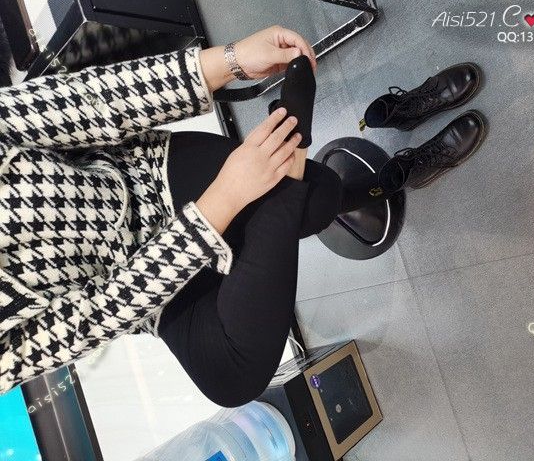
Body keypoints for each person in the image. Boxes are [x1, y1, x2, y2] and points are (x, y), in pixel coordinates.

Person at [0, 22, 485, 408]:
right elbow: (94, 316)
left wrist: (229, 61)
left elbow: (80, 105)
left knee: (313, 198)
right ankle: (368, 165)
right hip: (140, 291)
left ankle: (357, 159)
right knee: (232, 381)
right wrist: (225, 198)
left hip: (146, 182)